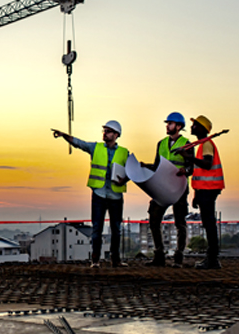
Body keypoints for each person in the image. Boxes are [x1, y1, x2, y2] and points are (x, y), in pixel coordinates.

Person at [52, 121, 129, 268]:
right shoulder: (96, 147)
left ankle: (116, 260)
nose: (105, 133)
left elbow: (133, 171)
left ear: (116, 135)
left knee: (116, 229)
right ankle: (95, 260)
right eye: (104, 131)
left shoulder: (124, 153)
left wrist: (125, 179)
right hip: (99, 194)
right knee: (97, 229)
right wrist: (64, 136)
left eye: (108, 131)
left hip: (115, 196)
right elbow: (79, 143)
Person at [140, 112, 193, 268]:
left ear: (178, 126)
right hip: (162, 187)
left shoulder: (187, 144)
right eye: (167, 123)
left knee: (180, 223)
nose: (167, 126)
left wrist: (186, 170)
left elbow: (192, 166)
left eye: (170, 123)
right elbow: (158, 165)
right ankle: (159, 255)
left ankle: (178, 257)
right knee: (154, 219)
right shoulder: (161, 143)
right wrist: (146, 166)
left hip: (179, 188)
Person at [187, 115, 225, 269]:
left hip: (209, 189)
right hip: (205, 190)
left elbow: (207, 165)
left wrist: (189, 158)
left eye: (194, 124)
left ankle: (212, 259)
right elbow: (200, 173)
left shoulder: (207, 144)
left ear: (202, 128)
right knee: (208, 223)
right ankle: (212, 258)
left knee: (209, 224)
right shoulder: (202, 145)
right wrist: (196, 194)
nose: (191, 127)